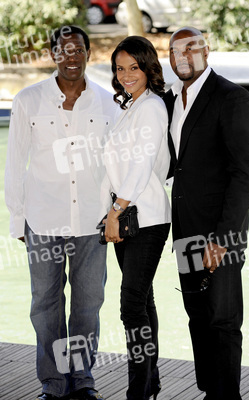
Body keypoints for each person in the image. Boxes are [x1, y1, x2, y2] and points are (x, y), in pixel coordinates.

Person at [5, 25, 117, 400]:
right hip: (42, 219)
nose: (72, 57)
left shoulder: (106, 102)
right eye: (64, 50)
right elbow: (14, 164)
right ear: (53, 54)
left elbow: (115, 162)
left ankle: (82, 381)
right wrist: (17, 218)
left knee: (88, 304)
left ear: (88, 53)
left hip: (91, 221)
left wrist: (116, 210)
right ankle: (53, 385)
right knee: (46, 305)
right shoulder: (28, 100)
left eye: (79, 50)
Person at [164, 27, 249, 399]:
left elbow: (244, 173)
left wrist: (222, 238)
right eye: (175, 50)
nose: (183, 56)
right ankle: (209, 391)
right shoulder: (172, 100)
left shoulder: (232, 98)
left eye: (191, 48)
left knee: (223, 319)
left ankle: (226, 396)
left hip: (222, 233)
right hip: (185, 230)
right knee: (198, 317)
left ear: (206, 51)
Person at [99, 36, 171, 400]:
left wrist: (115, 212)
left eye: (134, 67)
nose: (126, 75)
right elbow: (113, 166)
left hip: (147, 216)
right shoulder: (127, 106)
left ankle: (137, 393)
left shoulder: (152, 107)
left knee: (131, 306)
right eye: (120, 68)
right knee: (144, 301)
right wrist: (108, 211)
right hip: (126, 215)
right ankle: (151, 382)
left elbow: (142, 168)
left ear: (148, 68)